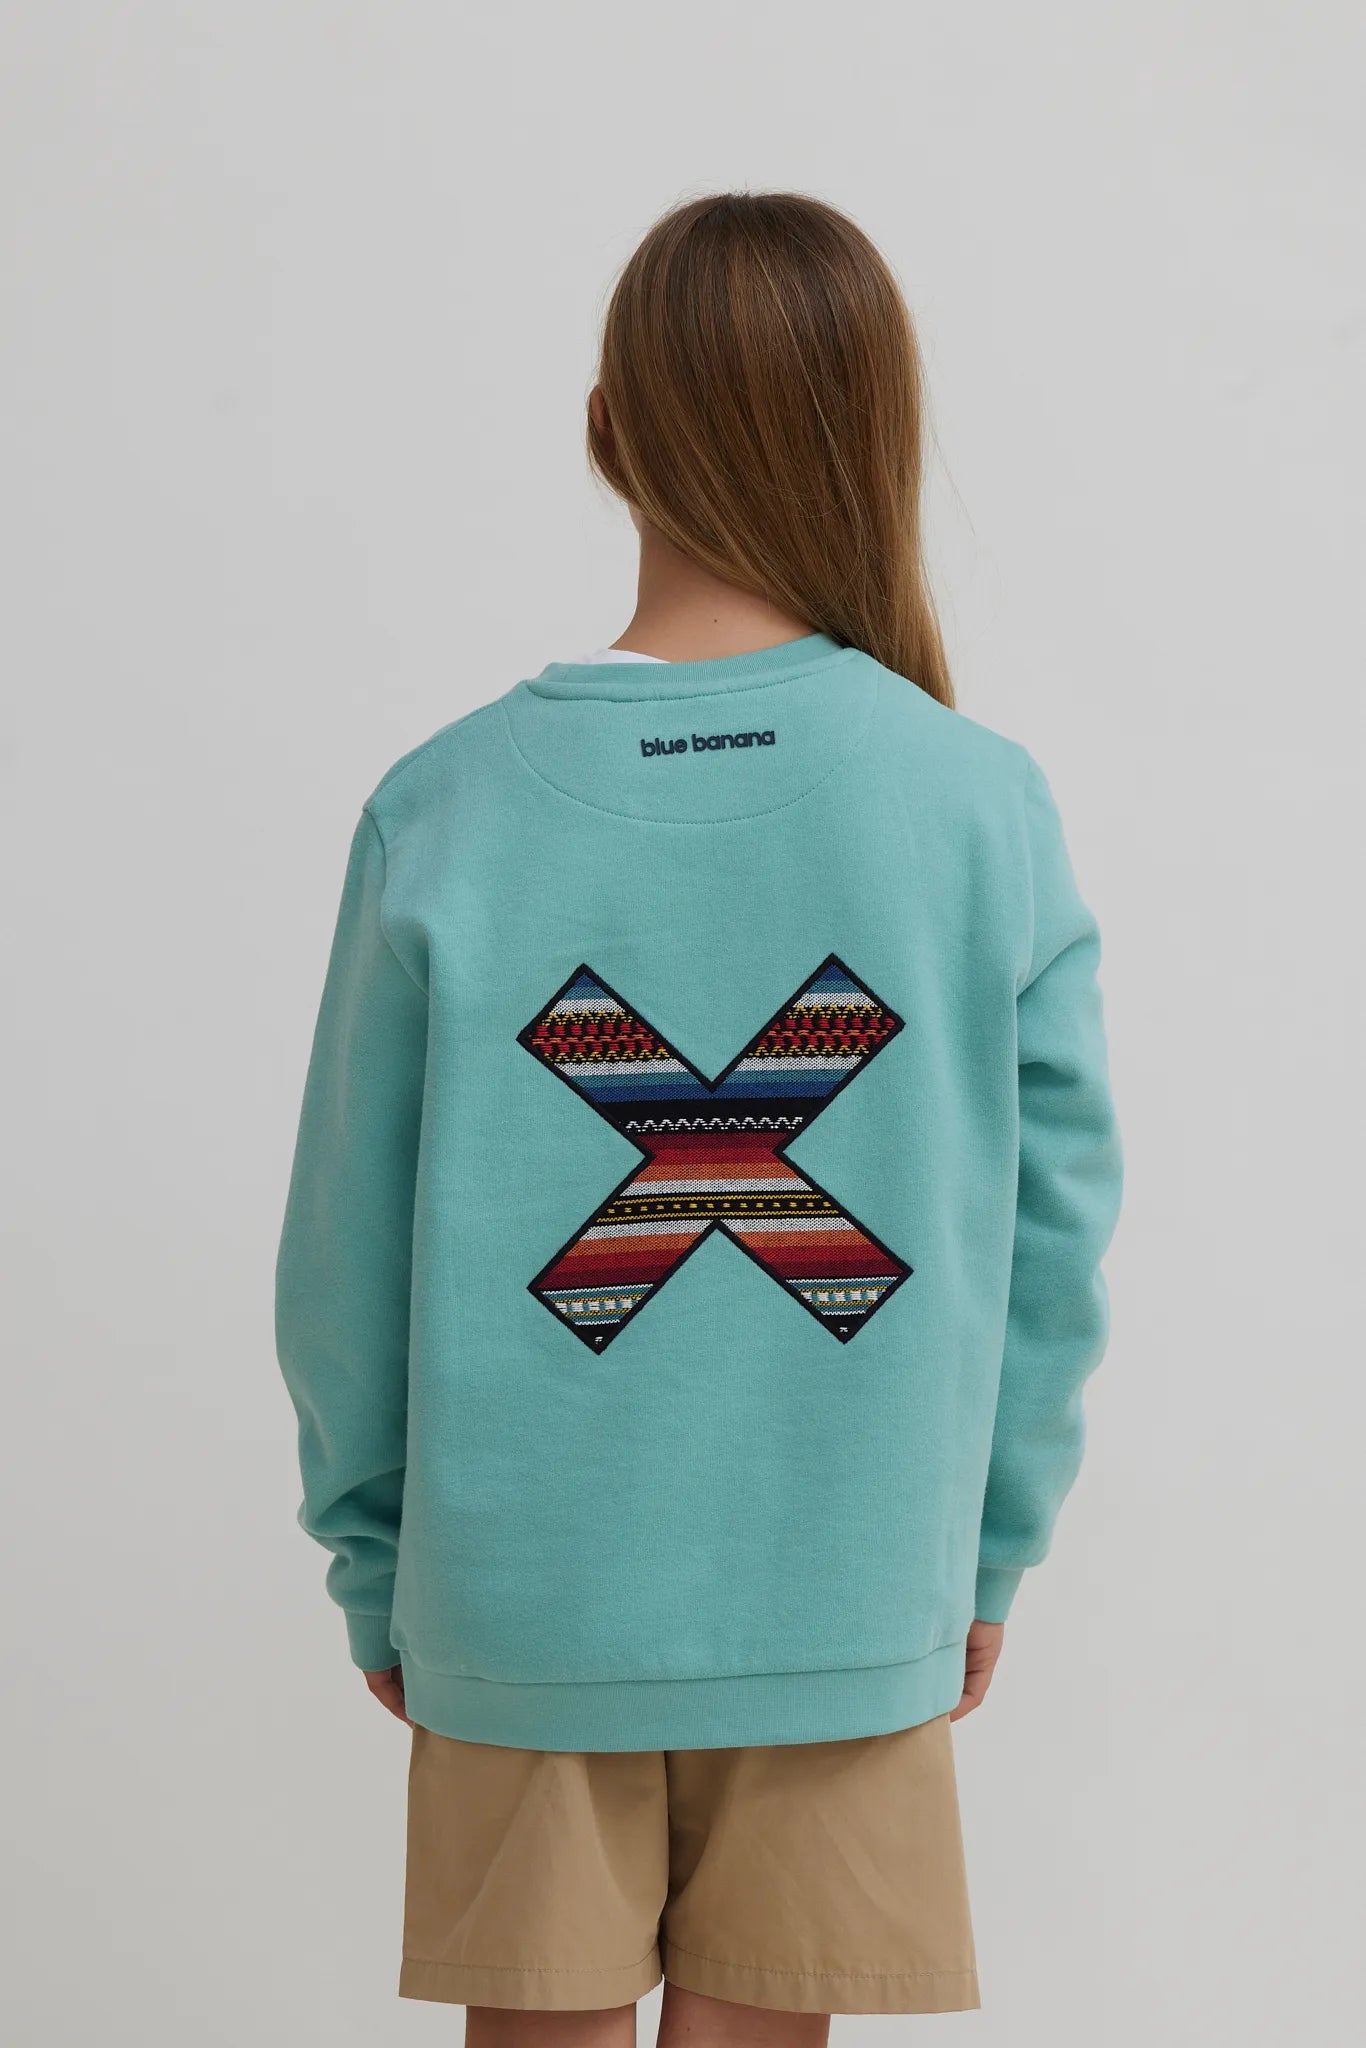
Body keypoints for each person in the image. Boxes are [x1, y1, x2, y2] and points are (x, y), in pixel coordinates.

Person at [276, 190, 1121, 2044]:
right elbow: (1054, 1240)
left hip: (521, 1598)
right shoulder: (974, 804)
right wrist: (980, 1552)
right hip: (851, 1580)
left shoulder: (444, 809)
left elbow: (341, 1246)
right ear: (875, 433)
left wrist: (381, 1565)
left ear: (607, 430)